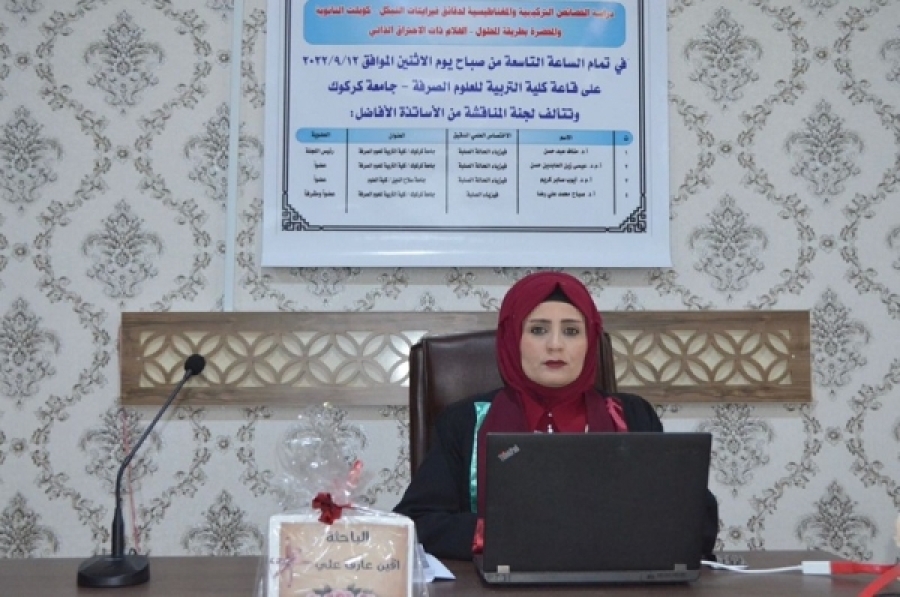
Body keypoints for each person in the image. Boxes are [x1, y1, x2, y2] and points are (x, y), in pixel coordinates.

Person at [393, 271, 719, 560]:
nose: (555, 345)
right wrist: (512, 535)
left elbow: (694, 521)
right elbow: (418, 523)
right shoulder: (465, 421)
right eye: (538, 330)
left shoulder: (630, 416)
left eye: (572, 331)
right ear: (512, 339)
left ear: (589, 342)